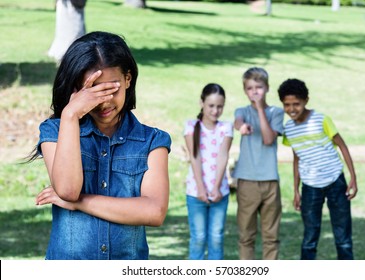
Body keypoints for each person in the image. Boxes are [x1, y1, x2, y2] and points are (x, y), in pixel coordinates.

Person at [29, 31, 171, 260]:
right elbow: (67, 190)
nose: (104, 101)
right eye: (93, 91)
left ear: (128, 78)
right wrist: (70, 115)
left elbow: (154, 212)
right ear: (77, 90)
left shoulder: (153, 141)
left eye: (111, 89)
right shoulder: (55, 131)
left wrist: (81, 203)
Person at [278, 78, 357, 260]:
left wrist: (353, 177)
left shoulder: (321, 120)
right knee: (310, 238)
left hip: (336, 182)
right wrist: (296, 190)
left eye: (296, 104)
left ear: (306, 100)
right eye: (287, 105)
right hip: (310, 187)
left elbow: (343, 147)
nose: (291, 109)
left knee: (343, 237)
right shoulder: (289, 128)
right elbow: (297, 158)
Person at [232, 67, 284, 260]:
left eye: (259, 87)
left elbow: (269, 138)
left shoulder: (276, 112)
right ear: (245, 91)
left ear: (267, 88)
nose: (254, 91)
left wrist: (261, 109)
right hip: (247, 181)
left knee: (271, 237)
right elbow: (237, 122)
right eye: (250, 88)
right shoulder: (242, 111)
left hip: (270, 181)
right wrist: (242, 127)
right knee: (246, 236)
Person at [184, 83, 233, 260]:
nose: (215, 110)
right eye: (211, 106)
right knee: (198, 237)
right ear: (202, 103)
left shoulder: (226, 128)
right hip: (195, 193)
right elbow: (194, 158)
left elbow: (223, 157)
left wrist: (216, 188)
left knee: (216, 237)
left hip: (220, 193)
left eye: (220, 106)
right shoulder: (190, 126)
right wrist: (201, 189)